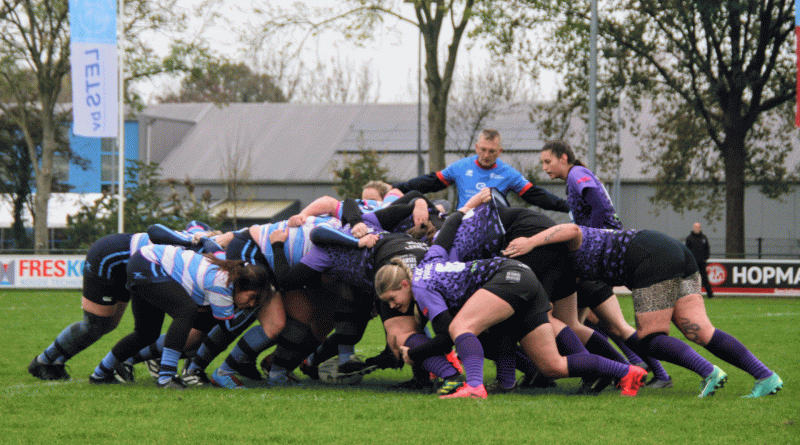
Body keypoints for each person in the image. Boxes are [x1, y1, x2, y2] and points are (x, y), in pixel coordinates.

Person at [374, 193, 649, 399]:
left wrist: (416, 352)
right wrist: (466, 207)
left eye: (390, 298)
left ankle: (473, 387)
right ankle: (627, 372)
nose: (392, 306)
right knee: (551, 364)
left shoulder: (421, 285)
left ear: (404, 284)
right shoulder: (432, 257)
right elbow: (446, 232)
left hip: (509, 275)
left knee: (462, 327)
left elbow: (448, 335)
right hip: (521, 279)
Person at [504, 223, 784, 398]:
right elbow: (571, 314)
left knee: (650, 338)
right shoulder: (565, 269)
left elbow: (573, 229)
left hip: (650, 256)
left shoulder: (569, 244)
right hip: (670, 250)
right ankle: (765, 376)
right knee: (698, 330)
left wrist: (531, 241)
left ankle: (709, 372)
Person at [540, 140, 673, 390]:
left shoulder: (576, 174)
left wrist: (589, 238)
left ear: (564, 158)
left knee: (613, 325)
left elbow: (598, 205)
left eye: (548, 161)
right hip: (598, 251)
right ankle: (623, 369)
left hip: (600, 253)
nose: (545, 168)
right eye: (543, 163)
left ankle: (654, 372)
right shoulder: (577, 176)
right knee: (587, 320)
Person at [27, 221, 222, 381]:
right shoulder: (203, 246)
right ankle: (44, 361)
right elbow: (156, 230)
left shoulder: (214, 253)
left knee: (113, 325)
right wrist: (192, 240)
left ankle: (67, 364)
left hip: (139, 269)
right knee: (95, 324)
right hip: (112, 257)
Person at [89, 243, 271, 389]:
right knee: (186, 311)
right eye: (252, 297)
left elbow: (211, 246)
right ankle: (166, 376)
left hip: (144, 261)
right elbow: (227, 324)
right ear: (239, 286)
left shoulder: (229, 273)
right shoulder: (222, 285)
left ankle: (99, 374)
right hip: (149, 263)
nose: (252, 304)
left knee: (146, 334)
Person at [393, 128, 570, 212]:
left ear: (499, 151)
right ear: (477, 148)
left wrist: (567, 207)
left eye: (492, 151)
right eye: (483, 149)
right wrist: (399, 188)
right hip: (462, 224)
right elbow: (431, 181)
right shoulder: (461, 166)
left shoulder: (508, 173)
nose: (486, 155)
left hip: (492, 228)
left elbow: (536, 195)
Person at [686, 222, 714, 299]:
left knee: (704, 278)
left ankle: (710, 295)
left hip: (702, 262)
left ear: (700, 228)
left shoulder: (704, 238)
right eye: (695, 227)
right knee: (691, 279)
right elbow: (686, 250)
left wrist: (705, 258)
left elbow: (707, 249)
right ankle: (690, 295)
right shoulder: (689, 238)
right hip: (693, 263)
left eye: (698, 227)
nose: (696, 228)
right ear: (693, 228)